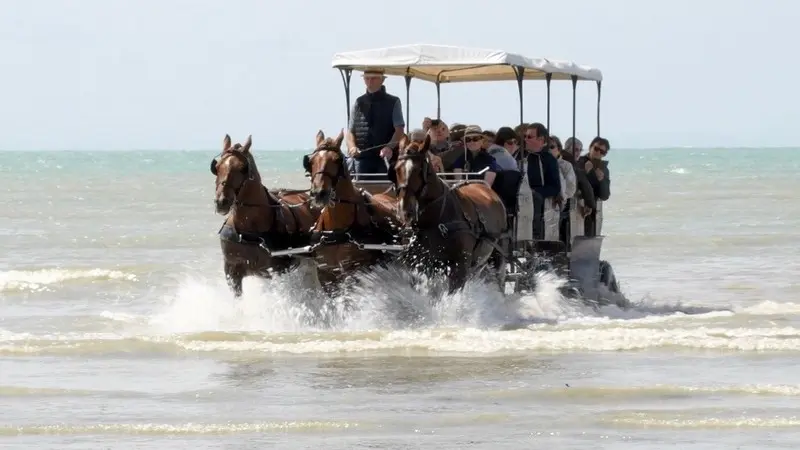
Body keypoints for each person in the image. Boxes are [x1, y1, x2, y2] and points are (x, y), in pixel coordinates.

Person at [345, 69, 405, 175]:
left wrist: (389, 147)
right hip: (362, 159)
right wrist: (352, 147)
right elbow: (350, 132)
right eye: (367, 78)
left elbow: (399, 130)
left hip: (385, 158)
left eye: (373, 78)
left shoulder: (393, 101)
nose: (369, 81)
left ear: (382, 80)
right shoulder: (358, 102)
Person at [523, 123, 561, 241]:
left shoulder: (549, 160)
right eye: (525, 136)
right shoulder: (519, 156)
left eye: (529, 137)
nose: (525, 139)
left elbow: (555, 187)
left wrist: (535, 192)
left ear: (541, 140)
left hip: (539, 204)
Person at [577, 136, 611, 236]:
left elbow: (605, 196)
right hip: (579, 206)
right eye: (596, 149)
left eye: (602, 152)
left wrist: (602, 181)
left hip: (593, 212)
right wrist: (585, 173)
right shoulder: (580, 162)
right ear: (590, 147)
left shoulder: (603, 169)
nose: (598, 153)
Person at [548, 136, 576, 244]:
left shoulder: (565, 165)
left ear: (558, 149)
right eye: (547, 147)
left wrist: (561, 195)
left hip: (560, 205)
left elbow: (571, 188)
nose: (549, 150)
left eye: (552, 147)